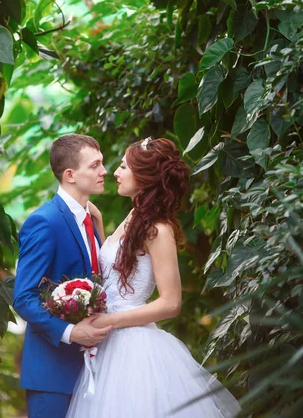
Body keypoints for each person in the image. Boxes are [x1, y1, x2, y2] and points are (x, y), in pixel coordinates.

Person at [67, 137, 242, 418]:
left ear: (144, 176)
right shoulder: (134, 217)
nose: (115, 172)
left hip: (133, 347)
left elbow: (171, 303)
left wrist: (110, 320)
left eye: (123, 166)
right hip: (107, 341)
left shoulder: (158, 230)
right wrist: (98, 225)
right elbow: (115, 267)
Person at [13, 134, 112, 418]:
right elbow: (23, 297)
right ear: (70, 175)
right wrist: (71, 332)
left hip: (97, 370)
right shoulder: (44, 222)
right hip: (53, 375)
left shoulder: (90, 219)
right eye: (95, 165)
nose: (103, 171)